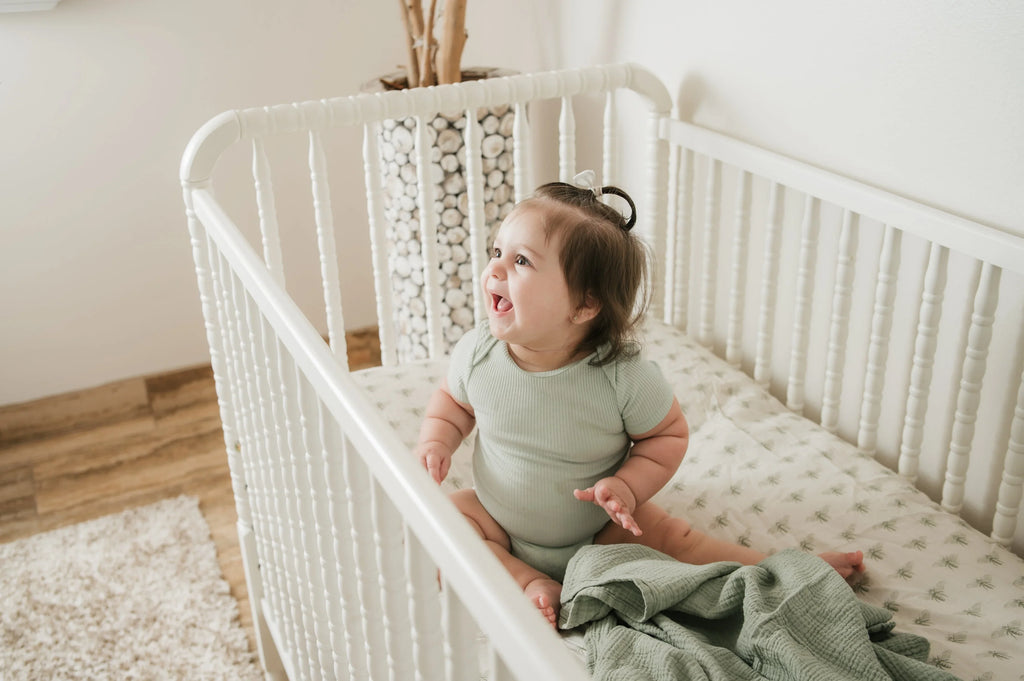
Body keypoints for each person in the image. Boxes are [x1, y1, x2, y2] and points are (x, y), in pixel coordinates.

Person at [415, 171, 865, 626]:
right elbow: (453, 404)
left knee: (684, 542)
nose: (494, 269)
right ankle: (531, 581)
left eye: (522, 262)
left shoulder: (618, 376)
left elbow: (667, 435)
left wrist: (628, 486)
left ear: (584, 306)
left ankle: (784, 573)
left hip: (601, 529)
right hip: (498, 520)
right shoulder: (478, 354)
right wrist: (437, 441)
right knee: (449, 523)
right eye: (497, 253)